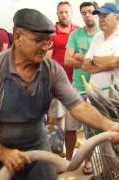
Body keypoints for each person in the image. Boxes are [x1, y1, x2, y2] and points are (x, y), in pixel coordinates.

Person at [0, 8, 119, 180]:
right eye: (39, 41)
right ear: (18, 37)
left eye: (48, 42)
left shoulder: (51, 70)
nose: (45, 48)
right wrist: (3, 153)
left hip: (36, 147)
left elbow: (78, 106)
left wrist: (109, 125)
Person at [64, 1, 99, 175]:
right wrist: (89, 61)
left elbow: (102, 63)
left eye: (90, 12)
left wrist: (79, 57)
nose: (87, 15)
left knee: (91, 129)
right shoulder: (75, 35)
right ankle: (68, 160)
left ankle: (87, 161)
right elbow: (67, 60)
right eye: (84, 12)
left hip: (96, 90)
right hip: (76, 87)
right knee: (70, 126)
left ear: (96, 13)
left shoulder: (102, 35)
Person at [82, 2, 119, 98]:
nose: (101, 19)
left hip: (116, 98)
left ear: (117, 18)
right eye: (100, 16)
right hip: (95, 96)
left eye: (105, 16)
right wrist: (105, 65)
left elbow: (113, 63)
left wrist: (93, 60)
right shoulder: (97, 37)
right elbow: (85, 65)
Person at [47, 1, 79, 143]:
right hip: (58, 81)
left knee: (73, 116)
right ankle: (58, 147)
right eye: (61, 12)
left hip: (76, 80)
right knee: (59, 116)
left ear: (71, 13)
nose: (64, 15)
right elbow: (47, 59)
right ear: (57, 14)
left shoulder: (78, 31)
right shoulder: (51, 32)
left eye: (66, 12)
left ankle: (69, 145)